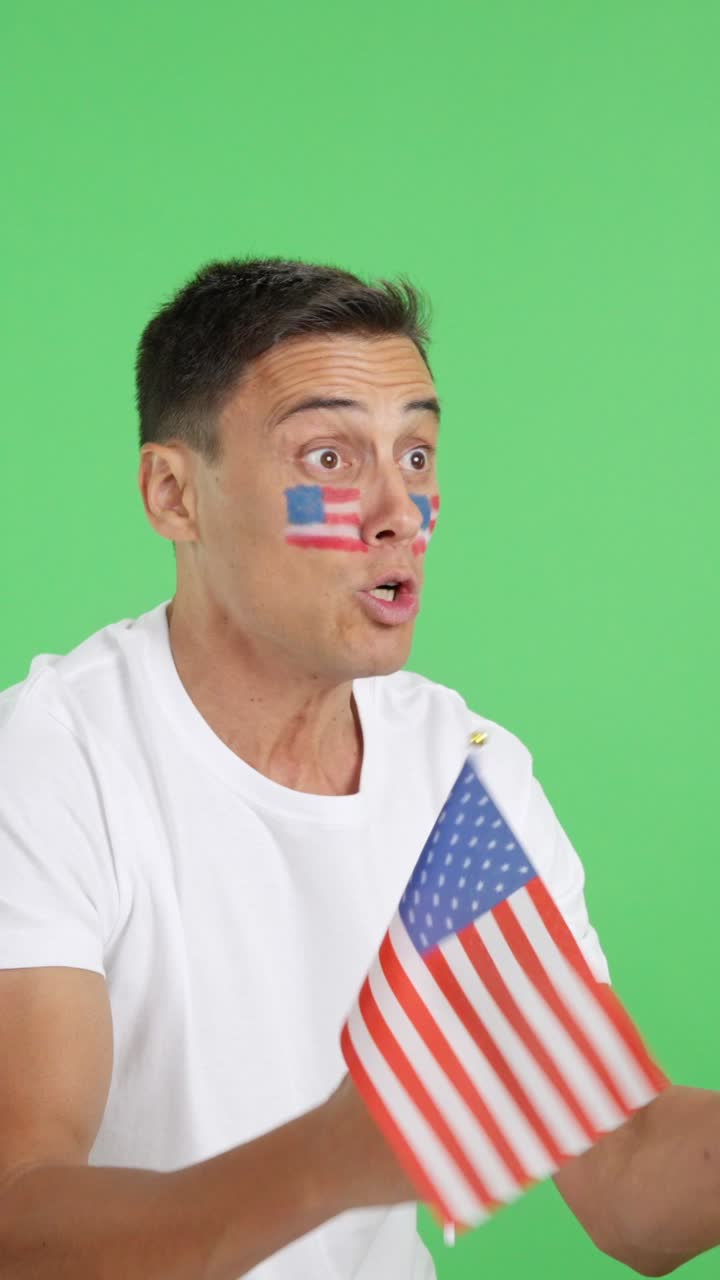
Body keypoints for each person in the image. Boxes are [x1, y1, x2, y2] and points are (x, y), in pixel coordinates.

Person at [0, 258, 717, 1280]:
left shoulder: (459, 775)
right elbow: (18, 1218)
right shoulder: (51, 760)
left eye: (416, 455)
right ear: (174, 493)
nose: (400, 512)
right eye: (330, 457)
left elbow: (622, 1176)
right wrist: (328, 1162)